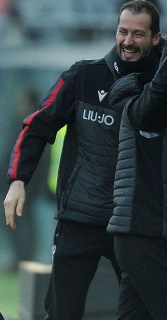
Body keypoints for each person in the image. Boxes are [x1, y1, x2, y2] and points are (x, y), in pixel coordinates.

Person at [3, 0, 165, 319]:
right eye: (122, 31)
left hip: (135, 223)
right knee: (63, 312)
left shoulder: (160, 89)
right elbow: (38, 125)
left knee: (143, 310)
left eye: (138, 34)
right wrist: (17, 179)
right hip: (80, 216)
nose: (128, 41)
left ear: (157, 38)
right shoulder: (83, 75)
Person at [107, 47, 167, 317]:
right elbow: (150, 103)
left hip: (144, 231)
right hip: (141, 231)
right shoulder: (133, 96)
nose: (129, 41)